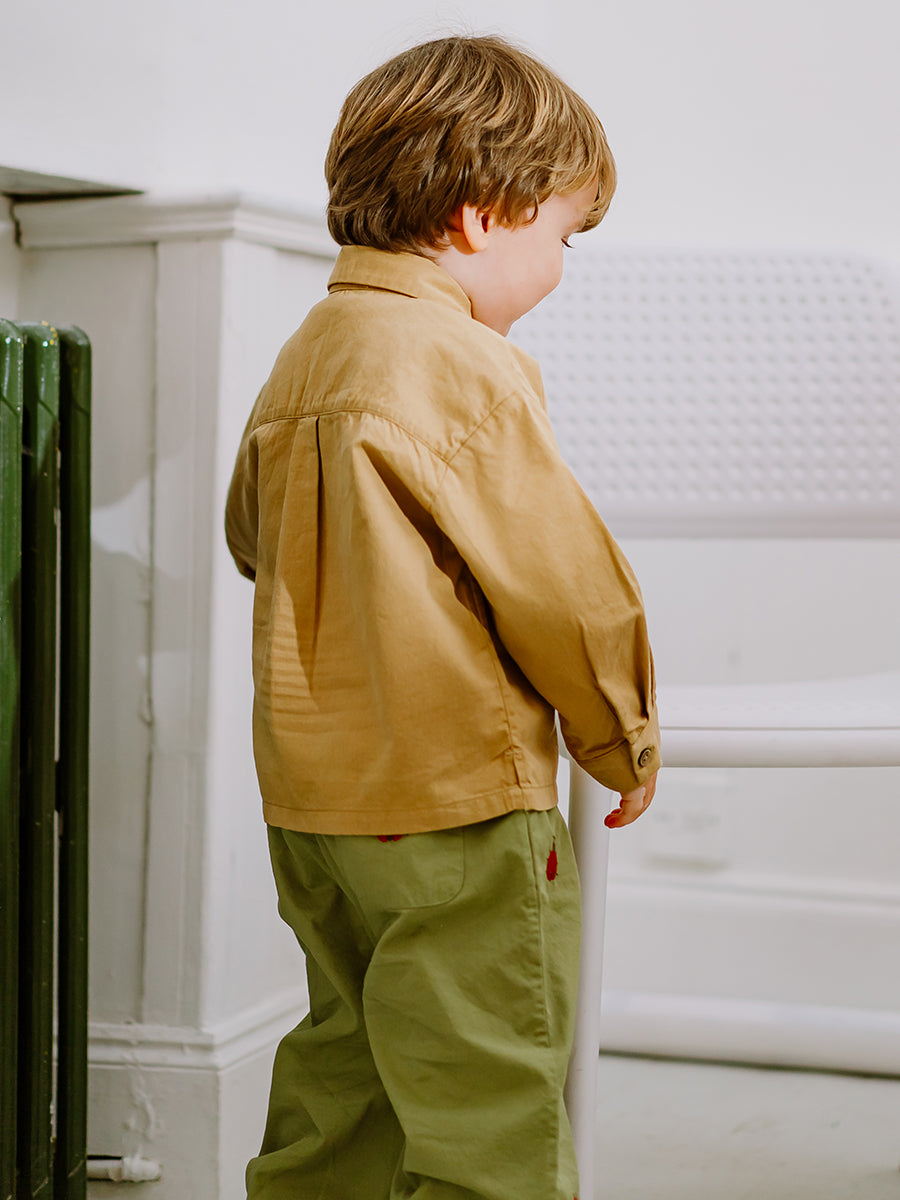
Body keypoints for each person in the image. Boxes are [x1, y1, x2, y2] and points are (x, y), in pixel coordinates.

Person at [225, 33, 659, 1200]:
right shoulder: (465, 364)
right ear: (481, 217)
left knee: (347, 1068)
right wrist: (619, 733)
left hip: (316, 806)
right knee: (485, 1091)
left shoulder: (307, 352)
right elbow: (562, 584)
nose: (561, 265)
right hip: (458, 805)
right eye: (562, 235)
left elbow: (247, 537)